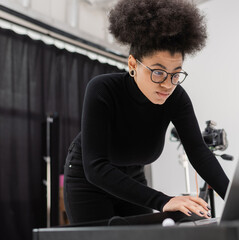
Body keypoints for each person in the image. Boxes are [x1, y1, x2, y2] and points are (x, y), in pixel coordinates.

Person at [63, 0, 229, 224]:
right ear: (133, 64)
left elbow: (199, 153)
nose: (168, 84)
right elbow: (96, 167)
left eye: (176, 74)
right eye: (158, 73)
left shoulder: (177, 98)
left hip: (132, 177)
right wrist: (163, 201)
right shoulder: (103, 89)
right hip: (87, 179)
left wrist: (235, 197)